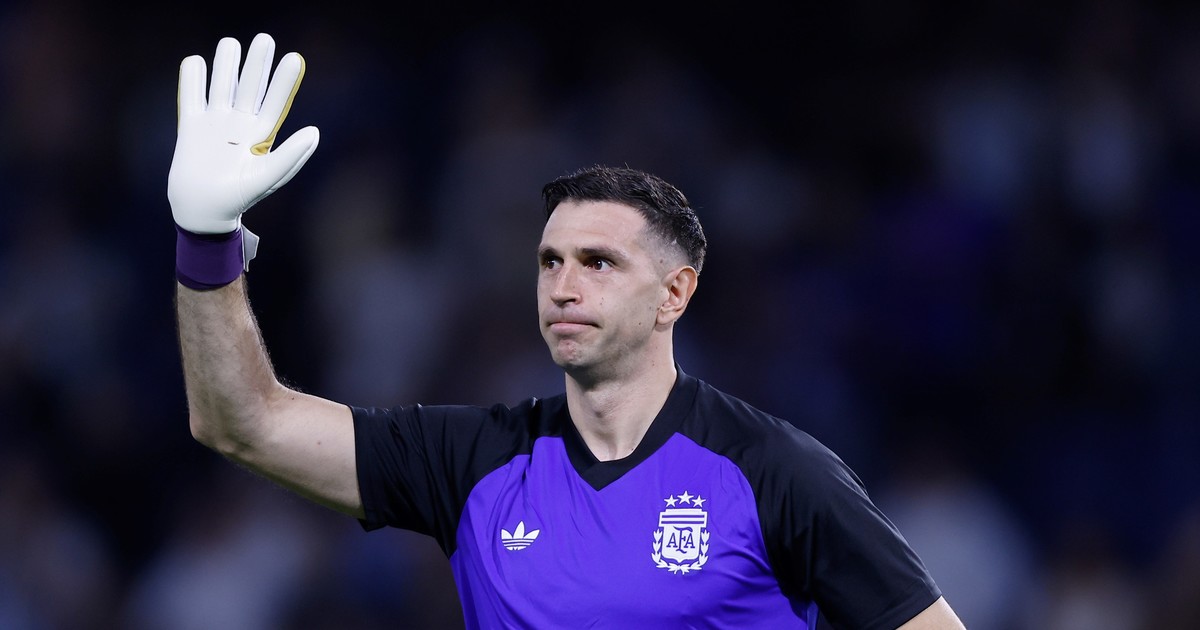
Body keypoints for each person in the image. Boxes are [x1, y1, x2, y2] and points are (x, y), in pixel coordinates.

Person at [170, 33, 966, 629]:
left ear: (675, 293)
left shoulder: (775, 472)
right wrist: (206, 243)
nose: (564, 285)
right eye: (550, 261)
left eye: (599, 262)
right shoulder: (475, 463)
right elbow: (243, 422)